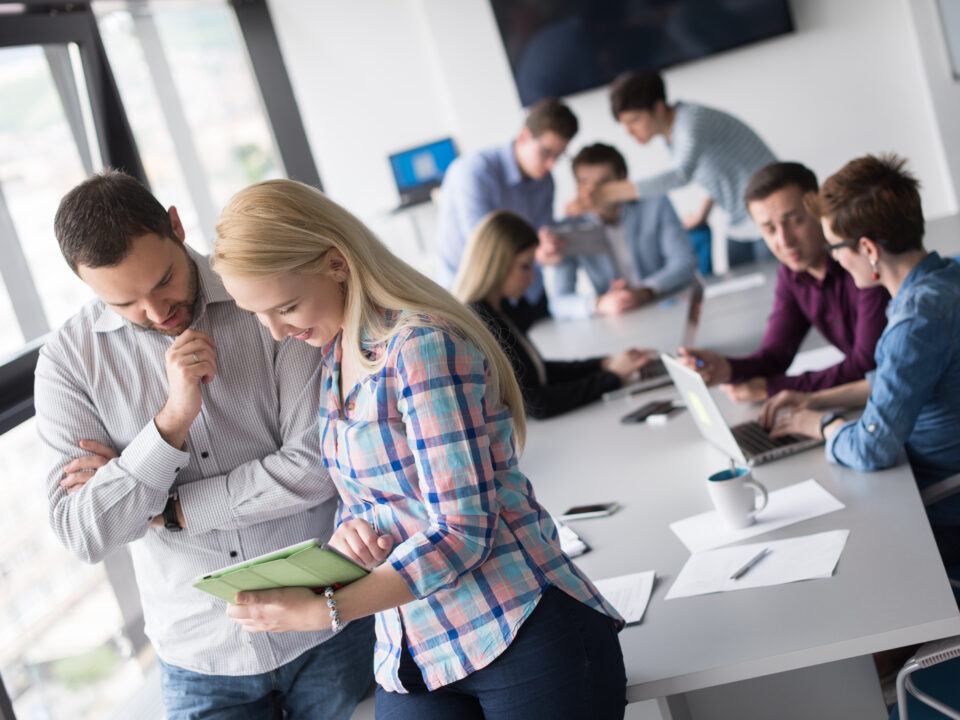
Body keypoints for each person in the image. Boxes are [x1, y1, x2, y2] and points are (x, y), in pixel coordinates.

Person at [212, 180, 627, 719]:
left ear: (337, 263)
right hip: (419, 649)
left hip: (516, 621)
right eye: (257, 314)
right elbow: (370, 494)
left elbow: (463, 531)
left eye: (285, 307)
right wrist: (351, 534)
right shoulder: (336, 356)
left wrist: (326, 612)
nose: (275, 332)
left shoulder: (422, 346)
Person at [34, 170, 374, 719]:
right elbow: (83, 531)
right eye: (125, 303)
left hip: (326, 624)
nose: (155, 312)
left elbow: (316, 464)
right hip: (201, 658)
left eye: (163, 280)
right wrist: (169, 424)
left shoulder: (265, 295)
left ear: (175, 224)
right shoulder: (69, 365)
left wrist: (164, 507)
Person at [762, 154, 960, 565]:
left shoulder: (915, 320)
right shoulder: (947, 277)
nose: (833, 257)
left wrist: (819, 424)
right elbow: (900, 379)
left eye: (836, 246)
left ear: (868, 249)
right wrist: (813, 399)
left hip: (940, 499)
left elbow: (873, 448)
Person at [678, 162, 889, 403]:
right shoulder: (792, 274)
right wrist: (726, 368)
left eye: (795, 221)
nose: (784, 240)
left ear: (818, 211)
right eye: (769, 229)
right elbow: (776, 355)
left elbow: (867, 366)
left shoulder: (860, 261)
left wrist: (772, 388)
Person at [454, 210, 653, 418]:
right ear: (497, 263)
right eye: (525, 266)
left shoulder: (498, 309)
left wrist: (603, 365)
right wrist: (612, 377)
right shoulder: (481, 320)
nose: (531, 278)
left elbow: (538, 372)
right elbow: (537, 403)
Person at [588, 70, 778, 267]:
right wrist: (702, 214)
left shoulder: (690, 122)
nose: (629, 132)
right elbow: (714, 172)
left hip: (768, 216)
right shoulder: (672, 135)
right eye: (624, 124)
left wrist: (609, 193)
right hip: (737, 223)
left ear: (659, 108)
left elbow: (681, 175)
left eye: (634, 120)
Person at [435, 97, 577, 329]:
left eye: (558, 157)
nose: (551, 164)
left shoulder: (545, 181)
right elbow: (484, 242)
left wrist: (551, 245)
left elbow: (541, 236)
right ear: (523, 137)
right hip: (475, 299)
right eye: (546, 153)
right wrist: (537, 253)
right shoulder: (473, 171)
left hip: (526, 290)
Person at [555, 142, 696, 319]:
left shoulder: (656, 204)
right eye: (584, 183)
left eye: (603, 183)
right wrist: (599, 304)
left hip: (665, 307)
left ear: (622, 179)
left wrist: (645, 291)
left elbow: (684, 263)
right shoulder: (570, 226)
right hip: (615, 319)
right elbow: (559, 301)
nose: (592, 193)